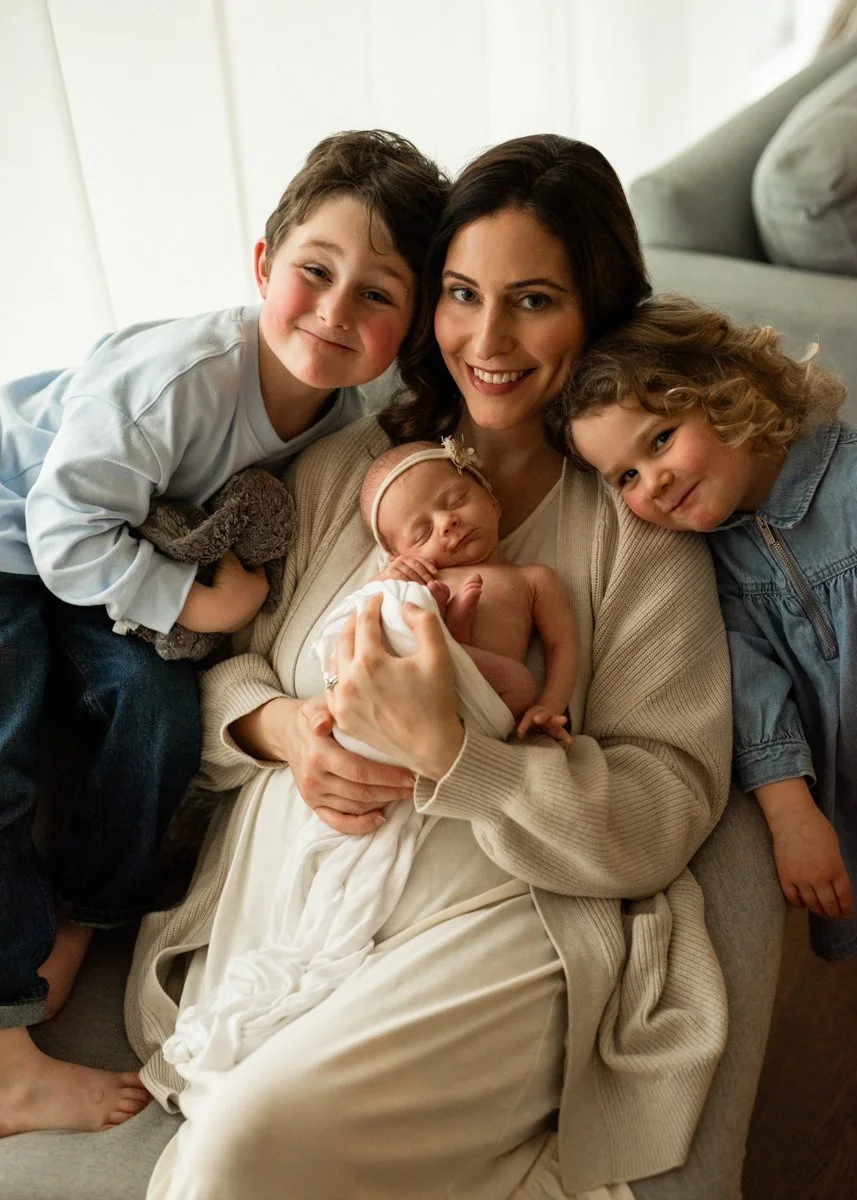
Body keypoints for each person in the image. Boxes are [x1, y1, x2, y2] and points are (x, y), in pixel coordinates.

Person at [125, 135, 783, 1200]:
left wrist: (457, 755)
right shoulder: (354, 468)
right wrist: (281, 734)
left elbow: (671, 803)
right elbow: (216, 680)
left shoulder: (633, 526)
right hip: (297, 902)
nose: (487, 338)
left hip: (502, 924)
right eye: (462, 294)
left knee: (231, 1160)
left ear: (595, 309)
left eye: (531, 300)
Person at [0, 128, 448, 1138]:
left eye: (376, 295)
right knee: (5, 740)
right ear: (262, 265)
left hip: (99, 569)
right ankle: (4, 1054)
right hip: (17, 533)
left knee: (155, 707)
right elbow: (60, 529)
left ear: (409, 322)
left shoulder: (344, 422)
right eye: (313, 272)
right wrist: (198, 606)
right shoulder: (180, 380)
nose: (335, 312)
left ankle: (89, 909)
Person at [566, 294, 856, 961]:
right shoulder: (709, 564)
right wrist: (791, 818)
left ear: (730, 388)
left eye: (660, 438)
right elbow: (753, 698)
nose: (653, 483)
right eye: (626, 476)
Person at [362, 437, 578, 737]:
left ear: (492, 500)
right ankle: (451, 638)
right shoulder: (418, 577)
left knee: (521, 684)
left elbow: (563, 645)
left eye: (455, 502)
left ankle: (454, 645)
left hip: (483, 700)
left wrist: (551, 704)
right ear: (400, 557)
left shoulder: (534, 579)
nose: (446, 522)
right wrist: (385, 580)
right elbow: (360, 617)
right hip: (414, 689)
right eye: (422, 533)